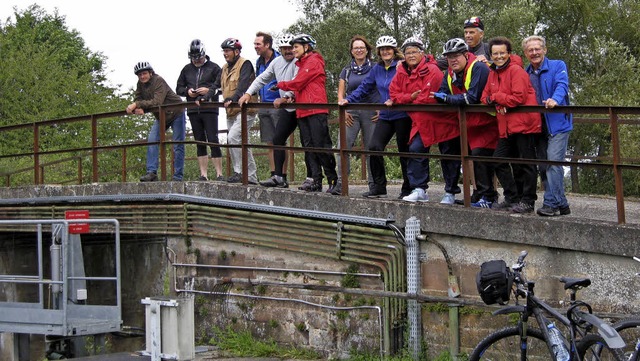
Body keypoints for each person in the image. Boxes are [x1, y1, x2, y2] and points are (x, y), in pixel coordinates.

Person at [389, 37, 461, 203]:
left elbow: (428, 97)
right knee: (416, 149)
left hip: (442, 119)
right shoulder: (401, 72)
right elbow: (393, 93)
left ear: (422, 53)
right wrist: (409, 97)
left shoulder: (432, 70)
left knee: (448, 155)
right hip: (421, 121)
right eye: (407, 52)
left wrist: (407, 99)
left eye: (414, 52)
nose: (411, 55)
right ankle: (420, 189)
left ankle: (450, 192)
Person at [339, 35, 411, 199]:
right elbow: (364, 87)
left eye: (388, 49)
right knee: (374, 147)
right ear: (379, 52)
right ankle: (379, 187)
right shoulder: (377, 69)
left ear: (394, 51)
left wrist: (397, 99)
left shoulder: (402, 66)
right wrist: (348, 100)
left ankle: (408, 188)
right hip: (385, 115)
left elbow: (409, 86)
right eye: (382, 49)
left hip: (402, 114)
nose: (385, 52)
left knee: (404, 151)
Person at [433, 38, 499, 208]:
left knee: (479, 156)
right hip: (469, 124)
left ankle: (489, 196)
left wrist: (447, 98)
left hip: (486, 122)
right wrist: (446, 98)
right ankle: (477, 194)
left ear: (465, 54)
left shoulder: (479, 67)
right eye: (449, 57)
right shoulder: (450, 72)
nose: (453, 60)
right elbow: (441, 92)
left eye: (456, 56)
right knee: (466, 157)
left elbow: (471, 97)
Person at [239, 34, 310, 188]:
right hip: (286, 107)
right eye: (284, 48)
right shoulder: (276, 62)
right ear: (280, 49)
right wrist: (248, 93)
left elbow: (297, 84)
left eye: (290, 48)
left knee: (307, 142)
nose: (288, 51)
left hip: (301, 106)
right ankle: (279, 177)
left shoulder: (300, 62)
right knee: (278, 139)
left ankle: (312, 178)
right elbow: (262, 78)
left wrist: (285, 97)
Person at [481, 37, 542, 213]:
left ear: (508, 53)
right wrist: (498, 101)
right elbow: (484, 98)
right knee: (499, 160)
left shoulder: (517, 71)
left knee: (526, 163)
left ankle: (528, 201)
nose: (498, 56)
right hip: (506, 126)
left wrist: (498, 98)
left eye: (502, 53)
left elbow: (518, 98)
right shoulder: (493, 73)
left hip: (524, 123)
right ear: (491, 55)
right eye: (495, 53)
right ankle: (512, 197)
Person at [275, 34, 338, 193]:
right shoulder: (301, 63)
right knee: (309, 147)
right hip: (303, 110)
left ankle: (333, 180)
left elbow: (299, 82)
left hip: (316, 109)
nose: (293, 49)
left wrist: (281, 85)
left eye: (296, 46)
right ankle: (316, 181)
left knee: (321, 145)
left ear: (306, 47)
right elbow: (299, 84)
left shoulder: (314, 61)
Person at [523, 35, 572, 217]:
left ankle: (551, 204)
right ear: (526, 53)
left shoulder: (558, 65)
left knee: (553, 162)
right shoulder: (526, 72)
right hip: (538, 126)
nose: (534, 53)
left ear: (545, 50)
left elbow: (562, 85)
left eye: (537, 49)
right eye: (530, 50)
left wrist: (555, 100)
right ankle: (563, 204)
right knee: (544, 166)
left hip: (558, 123)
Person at [332, 35, 380, 195]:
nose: (359, 50)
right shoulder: (346, 70)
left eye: (362, 47)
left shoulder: (375, 67)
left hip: (371, 111)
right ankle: (341, 183)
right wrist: (343, 110)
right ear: (351, 51)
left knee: (371, 149)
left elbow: (383, 87)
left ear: (367, 50)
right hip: (350, 112)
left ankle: (374, 185)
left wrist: (382, 108)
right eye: (356, 48)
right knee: (342, 147)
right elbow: (340, 93)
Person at [126, 61, 186, 182]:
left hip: (176, 112)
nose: (142, 77)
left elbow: (157, 101)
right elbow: (138, 98)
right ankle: (151, 173)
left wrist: (137, 104)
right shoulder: (141, 84)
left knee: (177, 144)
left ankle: (177, 176)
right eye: (140, 75)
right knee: (152, 140)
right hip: (161, 116)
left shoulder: (159, 81)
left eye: (144, 73)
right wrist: (140, 107)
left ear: (150, 73)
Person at [176, 39, 223, 182]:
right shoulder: (186, 69)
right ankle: (203, 174)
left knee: (213, 139)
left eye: (198, 58)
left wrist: (209, 90)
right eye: (193, 58)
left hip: (210, 108)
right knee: (199, 141)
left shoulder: (215, 68)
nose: (196, 61)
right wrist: (187, 92)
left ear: (204, 54)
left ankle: (219, 174)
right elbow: (178, 88)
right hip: (193, 109)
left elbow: (221, 87)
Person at [218, 37, 259, 184]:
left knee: (233, 138)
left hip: (245, 109)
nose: (225, 53)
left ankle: (239, 172)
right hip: (231, 111)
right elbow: (216, 86)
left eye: (227, 51)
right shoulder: (224, 68)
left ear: (236, 51)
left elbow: (243, 85)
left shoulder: (245, 64)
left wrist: (233, 98)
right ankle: (251, 176)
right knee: (242, 142)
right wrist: (206, 95)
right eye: (224, 51)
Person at [253, 32, 281, 179]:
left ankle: (282, 174)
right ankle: (273, 173)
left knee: (280, 140)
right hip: (263, 103)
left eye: (258, 44)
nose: (255, 47)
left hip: (277, 104)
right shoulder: (259, 62)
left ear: (267, 45)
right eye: (255, 44)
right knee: (269, 142)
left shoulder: (279, 59)